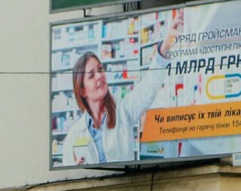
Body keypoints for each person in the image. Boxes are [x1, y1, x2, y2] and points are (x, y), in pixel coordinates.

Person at [61, 10, 184, 166]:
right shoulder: (73, 136)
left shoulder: (123, 111)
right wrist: (76, 173)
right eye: (91, 75)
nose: (99, 76)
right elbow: (66, 179)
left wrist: (165, 47)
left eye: (100, 69)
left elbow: (148, 87)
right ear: (82, 91)